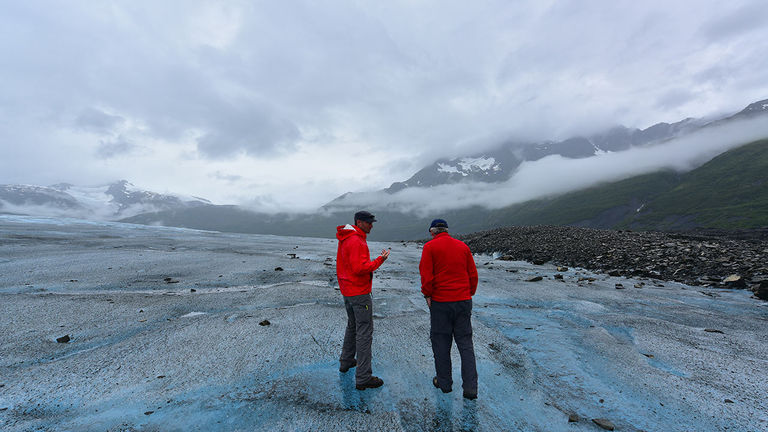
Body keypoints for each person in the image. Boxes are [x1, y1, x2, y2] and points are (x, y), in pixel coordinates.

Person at [420, 218, 479, 400]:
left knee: (441, 343)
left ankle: (445, 384)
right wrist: (468, 293)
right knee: (465, 344)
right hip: (463, 300)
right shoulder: (463, 247)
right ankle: (471, 388)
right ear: (446, 230)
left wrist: (427, 295)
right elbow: (473, 274)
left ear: (432, 232)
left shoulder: (430, 247)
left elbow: (426, 276)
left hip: (441, 302)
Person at [336, 210, 390, 390]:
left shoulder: (347, 238)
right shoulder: (356, 241)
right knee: (364, 332)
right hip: (359, 292)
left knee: (353, 325)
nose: (371, 225)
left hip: (347, 290)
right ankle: (363, 377)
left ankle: (346, 361)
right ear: (359, 222)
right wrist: (380, 260)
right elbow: (360, 268)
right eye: (369, 222)